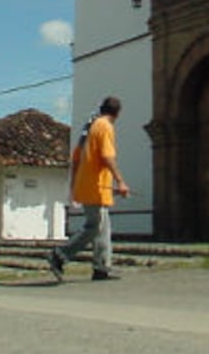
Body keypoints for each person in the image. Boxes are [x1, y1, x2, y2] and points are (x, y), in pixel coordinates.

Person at [48, 96, 130, 282]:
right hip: (96, 187)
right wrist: (120, 181)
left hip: (89, 185)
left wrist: (75, 184)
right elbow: (107, 156)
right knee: (94, 227)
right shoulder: (105, 126)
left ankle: (102, 268)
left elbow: (76, 158)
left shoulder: (89, 127)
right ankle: (59, 254)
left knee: (103, 228)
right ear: (117, 113)